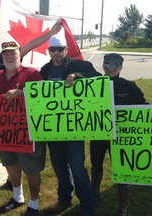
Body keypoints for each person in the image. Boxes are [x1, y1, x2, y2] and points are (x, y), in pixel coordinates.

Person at [0, 20, 62, 194]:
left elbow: (30, 45)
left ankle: (15, 183)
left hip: (17, 117)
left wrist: (51, 33)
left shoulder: (5, 57)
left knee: (16, 152)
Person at [40, 34, 102, 216]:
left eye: (60, 49)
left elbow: (97, 77)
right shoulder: (45, 70)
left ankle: (88, 206)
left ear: (66, 50)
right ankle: (64, 199)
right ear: (49, 51)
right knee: (59, 166)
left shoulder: (80, 65)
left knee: (77, 167)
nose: (57, 53)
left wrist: (77, 76)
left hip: (75, 128)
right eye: (53, 50)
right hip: (53, 129)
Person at [0, 41, 45, 216]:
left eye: (13, 53)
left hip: (27, 132)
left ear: (19, 55)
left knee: (31, 168)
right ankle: (17, 196)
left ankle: (34, 204)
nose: (10, 57)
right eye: (6, 54)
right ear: (2, 57)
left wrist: (22, 93)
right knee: (11, 165)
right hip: (5, 132)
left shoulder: (32, 73)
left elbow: (43, 97)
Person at [90, 53, 148, 216]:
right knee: (96, 164)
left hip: (123, 136)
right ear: (103, 66)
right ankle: (95, 193)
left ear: (121, 67)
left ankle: (122, 207)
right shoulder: (94, 84)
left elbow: (143, 107)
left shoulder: (129, 86)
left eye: (115, 65)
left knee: (124, 168)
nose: (111, 68)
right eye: (107, 64)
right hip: (99, 133)